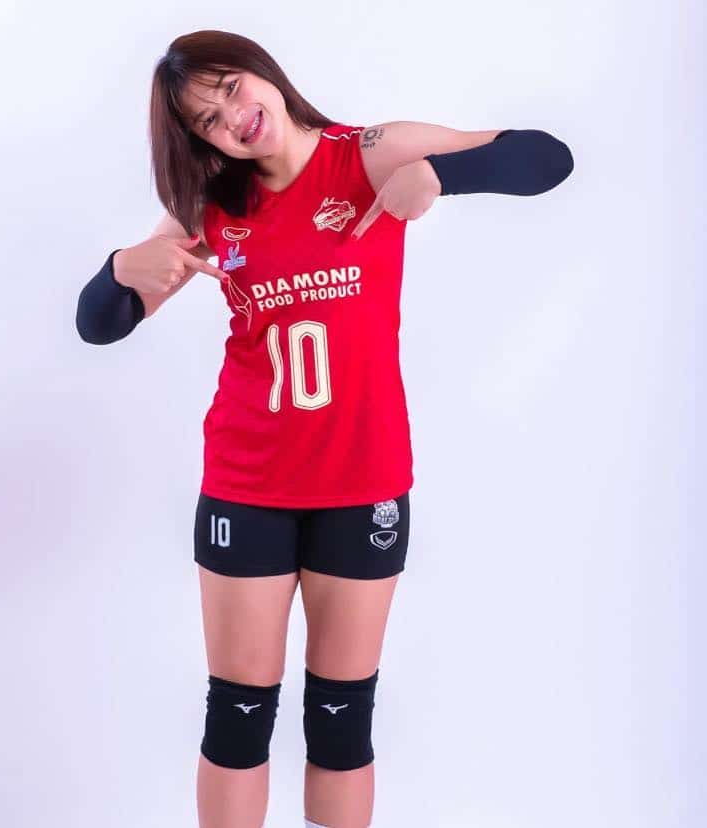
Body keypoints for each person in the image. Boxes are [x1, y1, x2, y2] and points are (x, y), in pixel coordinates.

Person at [76, 29, 573, 828]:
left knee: (342, 723)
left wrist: (438, 175)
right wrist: (119, 267)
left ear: (262, 72)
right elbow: (99, 323)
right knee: (237, 718)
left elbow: (547, 156)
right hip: (248, 485)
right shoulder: (212, 208)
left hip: (363, 480)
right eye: (207, 120)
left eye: (231, 87)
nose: (233, 117)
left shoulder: (369, 154)